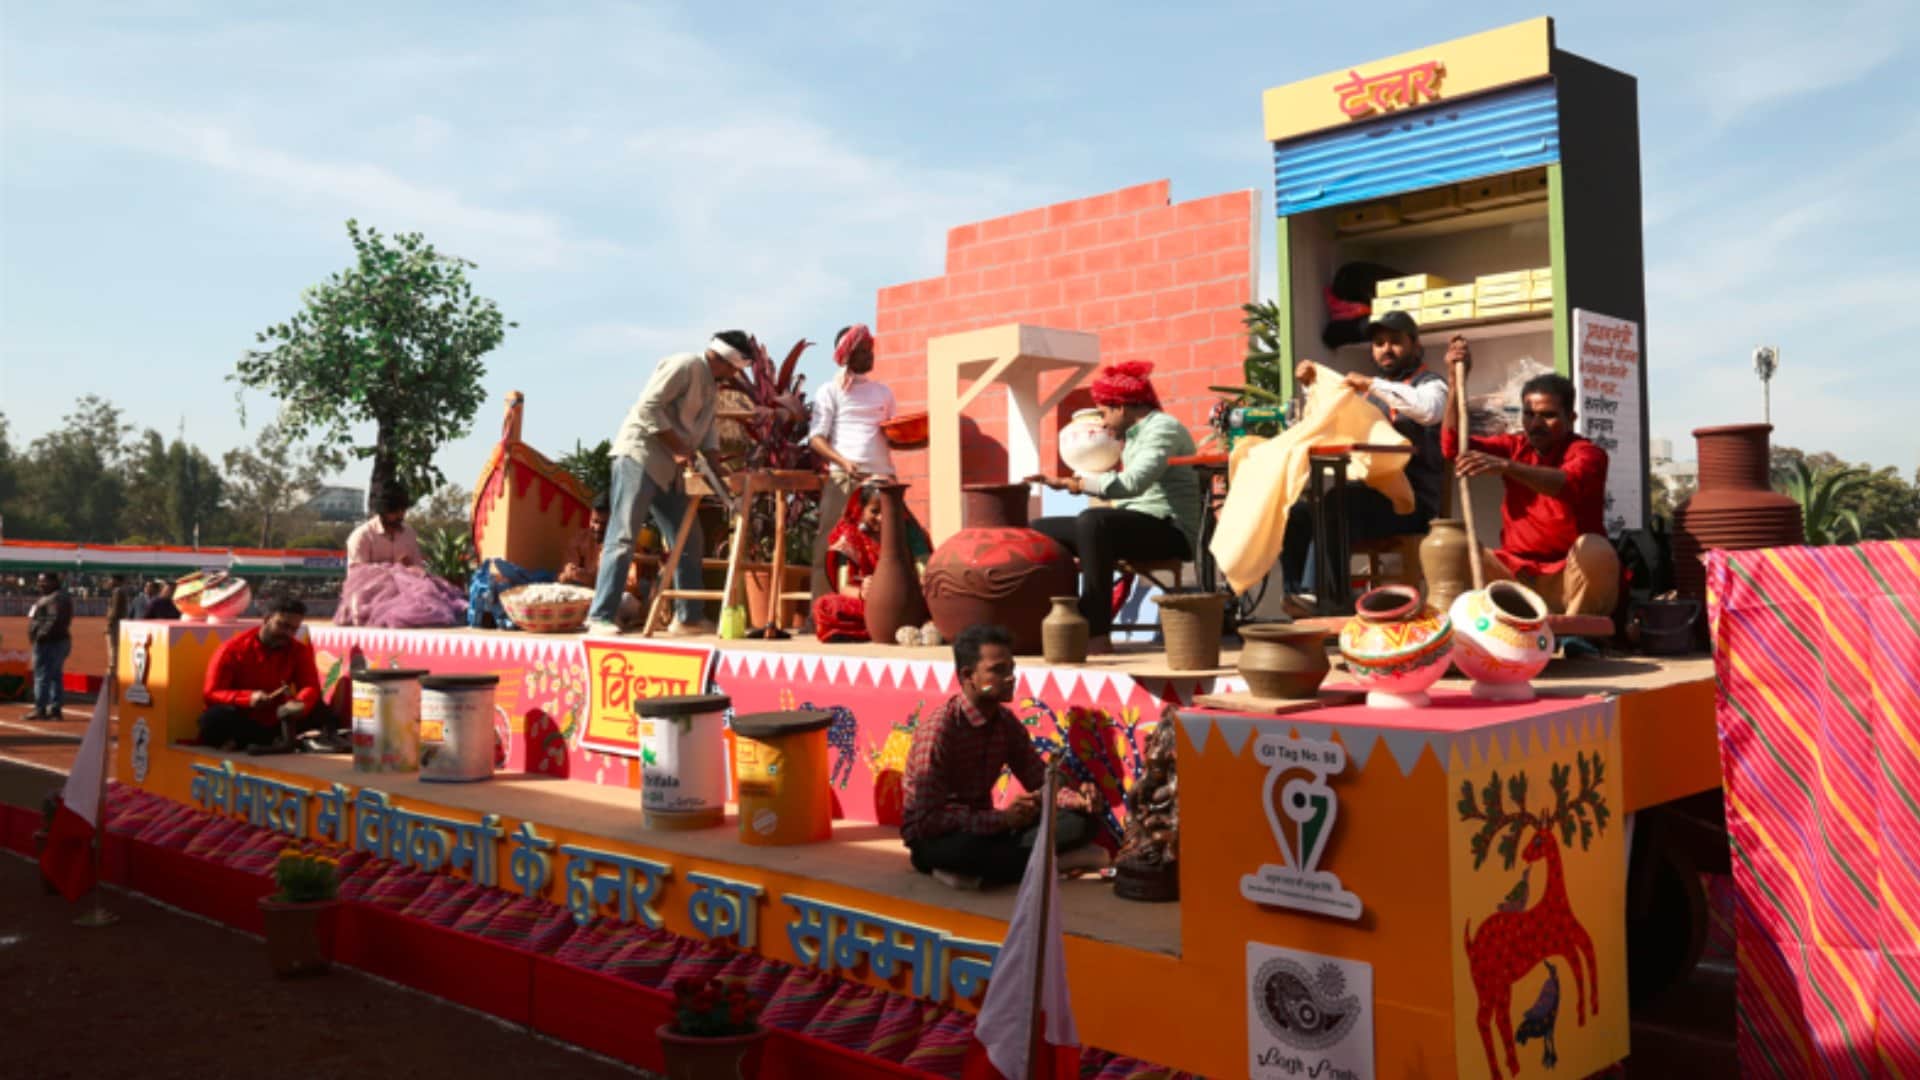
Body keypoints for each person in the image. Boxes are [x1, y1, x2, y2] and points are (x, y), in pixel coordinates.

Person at [900, 624, 1107, 889]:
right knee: (966, 852)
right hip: (939, 838)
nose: (1010, 678)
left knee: (1082, 823)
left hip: (988, 828)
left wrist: (1076, 799)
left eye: (1011, 669)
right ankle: (1058, 863)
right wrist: (1001, 820)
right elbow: (928, 820)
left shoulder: (1006, 723)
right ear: (967, 676)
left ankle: (986, 873)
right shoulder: (940, 730)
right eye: (997, 670)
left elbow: (1040, 779)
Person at [590, 331, 764, 636]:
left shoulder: (712, 386)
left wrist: (720, 475)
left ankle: (688, 617)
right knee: (624, 535)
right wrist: (678, 447)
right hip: (640, 457)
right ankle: (601, 615)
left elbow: (707, 436)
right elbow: (648, 408)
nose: (737, 374)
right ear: (725, 360)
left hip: (669, 469)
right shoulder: (685, 365)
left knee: (688, 538)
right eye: (736, 367)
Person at [1029, 361, 1202, 654]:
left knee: (1093, 522)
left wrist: (1074, 483)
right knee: (1037, 532)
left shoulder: (1163, 429)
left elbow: (1133, 483)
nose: (1104, 422)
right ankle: (1059, 617)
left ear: (1122, 407)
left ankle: (1095, 630)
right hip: (1134, 525)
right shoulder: (1132, 438)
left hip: (1170, 530)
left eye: (1105, 412)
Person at [1280, 310, 1449, 608]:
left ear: (1415, 344)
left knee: (1336, 503)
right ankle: (1299, 599)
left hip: (1413, 505)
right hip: (1372, 499)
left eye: (1395, 341)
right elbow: (1332, 422)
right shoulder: (1368, 396)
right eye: (1379, 343)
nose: (1386, 349)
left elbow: (1428, 411)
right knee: (1297, 515)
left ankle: (1321, 596)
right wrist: (1312, 387)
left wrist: (1372, 385)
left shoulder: (1431, 385)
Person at [1442, 345, 1620, 616]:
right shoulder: (1514, 446)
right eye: (1529, 414)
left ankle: (1580, 636)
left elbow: (1564, 483)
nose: (1536, 424)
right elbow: (1452, 447)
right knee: (1458, 553)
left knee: (1596, 550)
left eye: (1548, 416)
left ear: (1570, 419)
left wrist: (1506, 467)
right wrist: (1456, 383)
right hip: (1519, 576)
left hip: (1567, 580)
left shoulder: (1589, 453)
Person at [808, 324, 899, 610]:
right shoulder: (829, 391)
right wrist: (844, 462)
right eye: (863, 351)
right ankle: (822, 609)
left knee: (887, 546)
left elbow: (892, 434)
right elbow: (816, 439)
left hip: (882, 479)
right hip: (845, 479)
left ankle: (882, 609)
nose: (870, 356)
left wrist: (913, 436)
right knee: (832, 543)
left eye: (871, 349)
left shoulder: (883, 392)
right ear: (846, 354)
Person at [198, 593, 344, 753]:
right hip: (245, 718)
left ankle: (259, 742)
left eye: (294, 629)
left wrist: (300, 702)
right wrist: (248, 698)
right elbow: (211, 693)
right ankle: (272, 741)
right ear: (267, 619)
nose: (288, 633)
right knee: (213, 718)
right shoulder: (231, 650)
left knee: (320, 709)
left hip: (280, 717)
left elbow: (310, 685)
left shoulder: (298, 650)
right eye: (283, 625)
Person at [810, 484, 889, 643]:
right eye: (874, 511)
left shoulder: (903, 534)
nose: (881, 518)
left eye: (886, 512)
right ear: (861, 509)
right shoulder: (850, 537)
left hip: (899, 604)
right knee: (824, 606)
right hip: (867, 605)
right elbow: (843, 587)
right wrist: (862, 592)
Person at [26, 573, 73, 720]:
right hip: (59, 640)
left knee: (42, 676)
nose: (40, 584)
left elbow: (52, 620)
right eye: (39, 582)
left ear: (53, 582)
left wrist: (41, 635)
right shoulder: (58, 596)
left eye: (43, 582)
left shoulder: (54, 598)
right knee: (55, 675)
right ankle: (55, 709)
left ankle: (40, 708)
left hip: (49, 642)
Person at [347, 487, 425, 569]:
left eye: (403, 510)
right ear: (383, 511)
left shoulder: (409, 534)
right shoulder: (362, 536)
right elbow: (358, 575)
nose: (400, 515)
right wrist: (396, 568)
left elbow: (418, 569)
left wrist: (410, 568)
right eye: (394, 511)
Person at [559, 493, 612, 588]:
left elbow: (629, 585)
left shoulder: (623, 546)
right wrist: (570, 572)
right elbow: (566, 574)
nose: (598, 528)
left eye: (604, 524)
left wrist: (590, 579)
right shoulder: (579, 539)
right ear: (589, 519)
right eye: (595, 521)